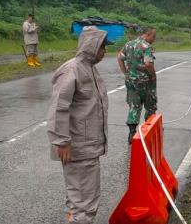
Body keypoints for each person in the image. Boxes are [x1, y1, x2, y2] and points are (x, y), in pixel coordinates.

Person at [47, 26, 110, 224]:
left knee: (80, 197)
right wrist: (62, 141)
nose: (104, 51)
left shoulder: (89, 68)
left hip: (88, 146)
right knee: (84, 200)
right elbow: (59, 107)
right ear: (91, 46)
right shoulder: (72, 70)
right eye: (102, 47)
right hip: (78, 147)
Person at [117, 28, 157, 144]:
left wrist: (125, 72)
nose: (153, 40)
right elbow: (148, 64)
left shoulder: (128, 44)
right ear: (148, 34)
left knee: (134, 106)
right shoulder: (146, 47)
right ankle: (149, 130)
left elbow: (119, 58)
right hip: (145, 81)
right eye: (153, 37)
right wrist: (153, 76)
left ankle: (132, 133)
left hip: (131, 81)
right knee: (150, 105)